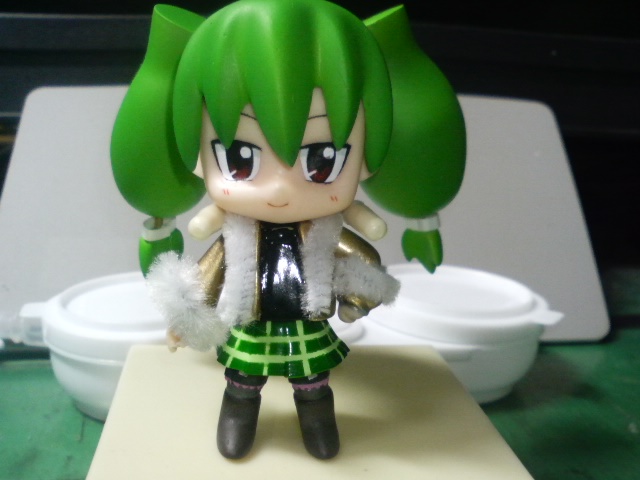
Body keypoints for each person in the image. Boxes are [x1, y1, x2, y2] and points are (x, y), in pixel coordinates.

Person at [111, 0, 465, 460]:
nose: (280, 188)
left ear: (367, 158)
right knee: (243, 378)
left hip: (307, 318)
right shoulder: (237, 233)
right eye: (240, 159)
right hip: (249, 320)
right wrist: (186, 318)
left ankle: (317, 418)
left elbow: (361, 259)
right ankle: (238, 412)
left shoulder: (326, 230)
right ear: (197, 156)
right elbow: (210, 271)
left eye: (322, 161)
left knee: (312, 380)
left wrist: (358, 297)